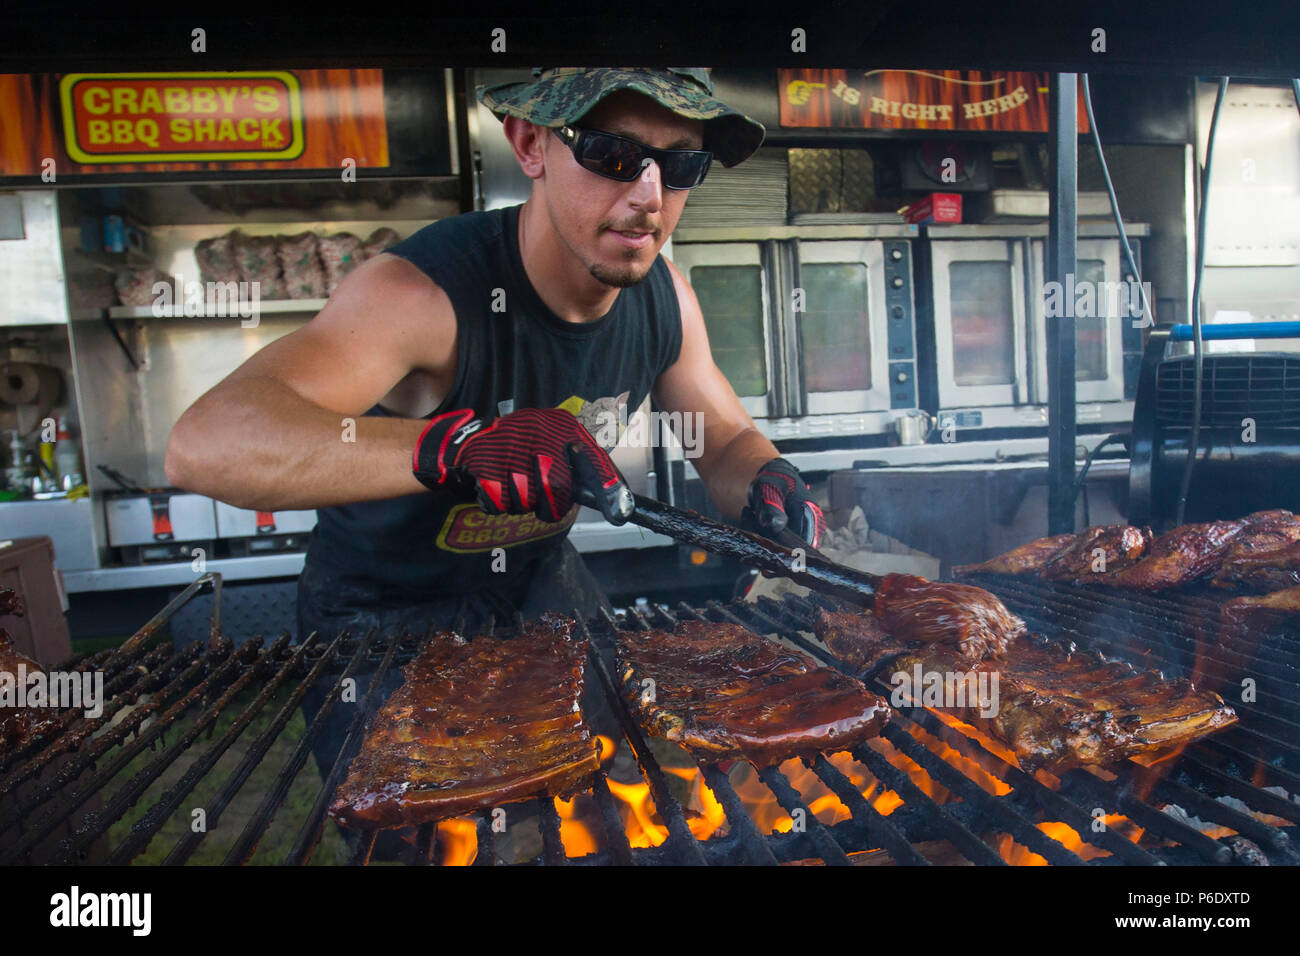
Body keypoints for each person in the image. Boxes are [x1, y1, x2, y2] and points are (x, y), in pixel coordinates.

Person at [165, 66, 825, 647]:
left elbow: (728, 441)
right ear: (531, 144)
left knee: (614, 777)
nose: (650, 197)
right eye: (611, 153)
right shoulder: (420, 293)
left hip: (540, 585)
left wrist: (769, 487)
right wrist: (457, 450)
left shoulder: (667, 300)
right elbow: (205, 443)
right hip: (382, 612)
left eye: (680, 165)